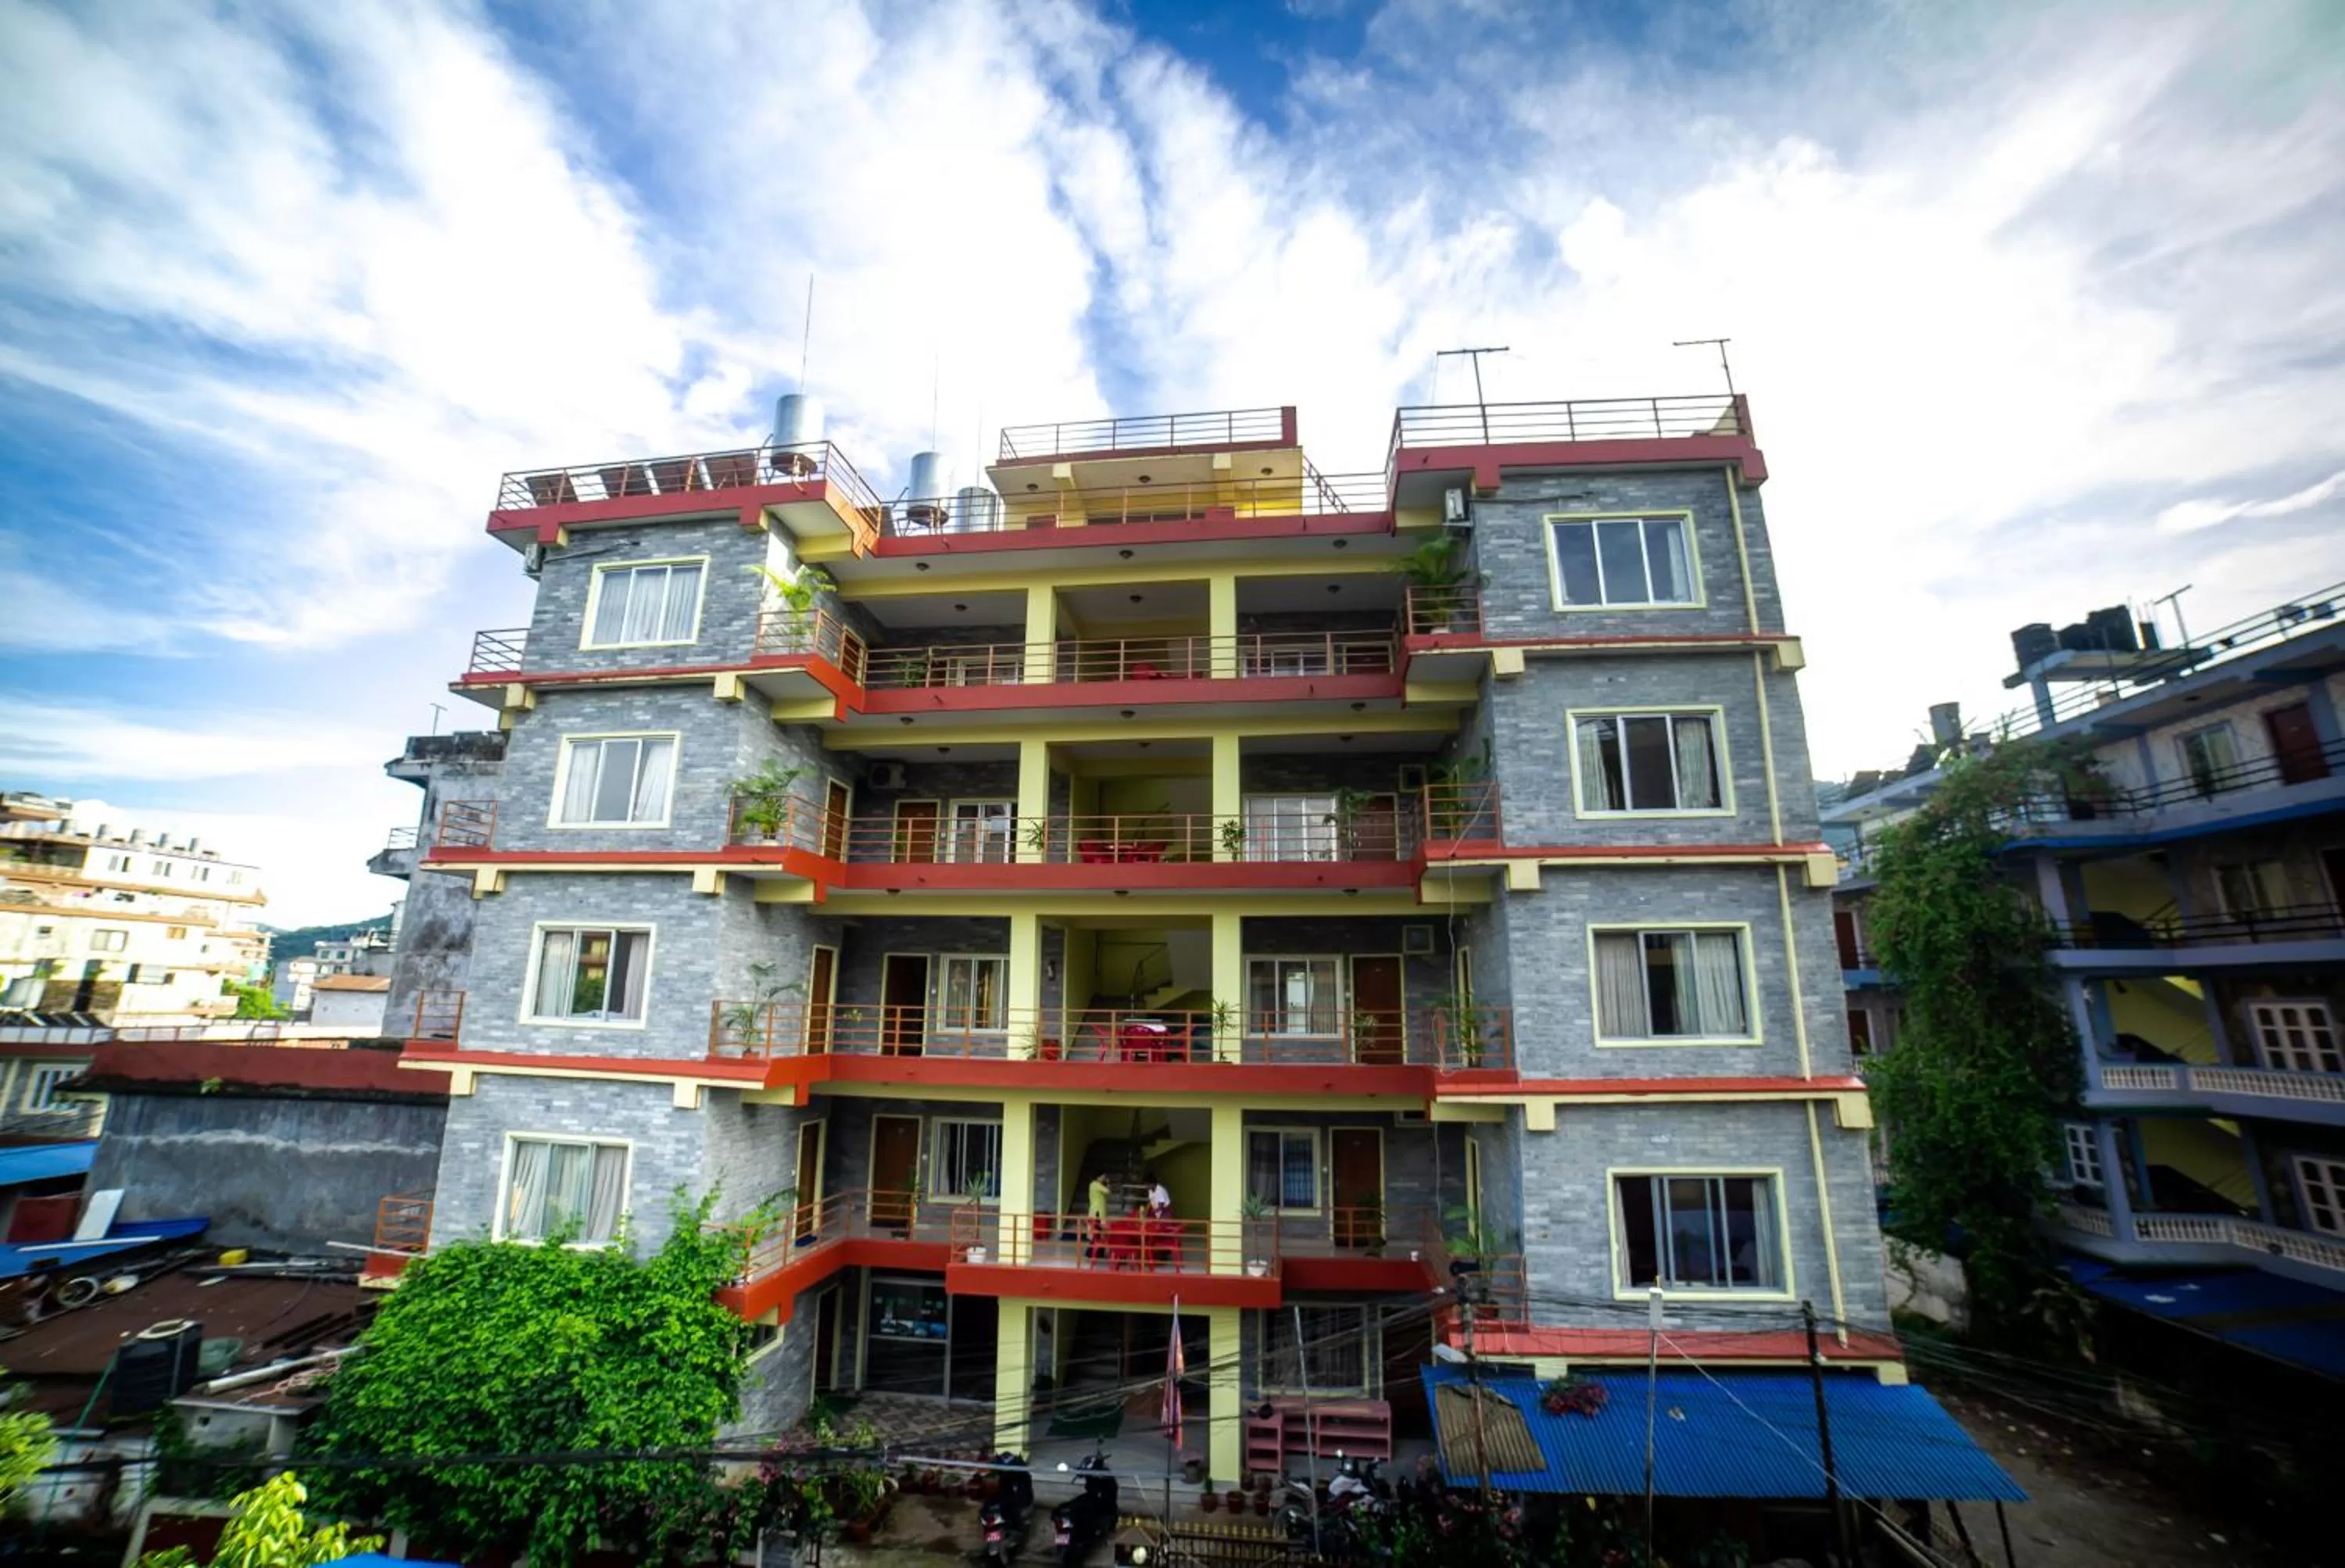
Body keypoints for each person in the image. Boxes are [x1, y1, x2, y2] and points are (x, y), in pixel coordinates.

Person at [1086, 1171, 1112, 1263]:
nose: (1104, 1179)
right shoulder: (1095, 1184)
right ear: (1098, 1177)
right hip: (1097, 1213)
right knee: (1096, 1233)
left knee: (1099, 1234)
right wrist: (1108, 1183)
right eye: (1103, 1177)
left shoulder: (1097, 1185)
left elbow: (1106, 1193)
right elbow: (1108, 1191)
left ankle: (1098, 1252)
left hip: (1100, 1212)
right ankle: (1092, 1252)